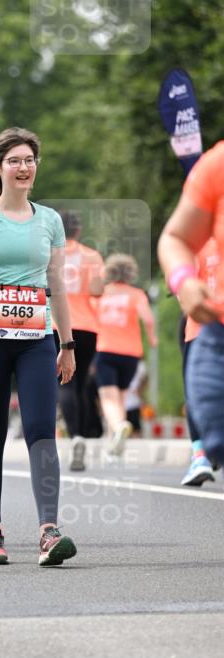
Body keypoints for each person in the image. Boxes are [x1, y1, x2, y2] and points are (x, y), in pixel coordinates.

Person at [0, 127, 77, 567]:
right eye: (15, 161)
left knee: (43, 430)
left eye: (30, 160)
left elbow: (58, 287)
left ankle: (48, 530)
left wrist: (67, 342)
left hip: (37, 340)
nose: (24, 168)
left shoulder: (49, 220)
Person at [158, 140, 224, 468]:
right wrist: (183, 280)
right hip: (215, 330)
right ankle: (200, 453)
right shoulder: (217, 164)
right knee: (216, 441)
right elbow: (175, 239)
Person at [54, 211, 105, 471]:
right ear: (78, 230)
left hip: (56, 325)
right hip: (87, 327)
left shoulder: (50, 254)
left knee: (64, 383)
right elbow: (97, 290)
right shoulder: (92, 256)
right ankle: (83, 435)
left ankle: (74, 436)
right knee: (82, 382)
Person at [94, 254, 157, 457]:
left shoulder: (100, 294)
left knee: (107, 396)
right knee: (120, 396)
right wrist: (152, 338)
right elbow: (147, 318)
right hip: (131, 354)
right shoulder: (137, 294)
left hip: (105, 349)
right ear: (131, 273)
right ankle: (115, 441)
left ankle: (119, 425)